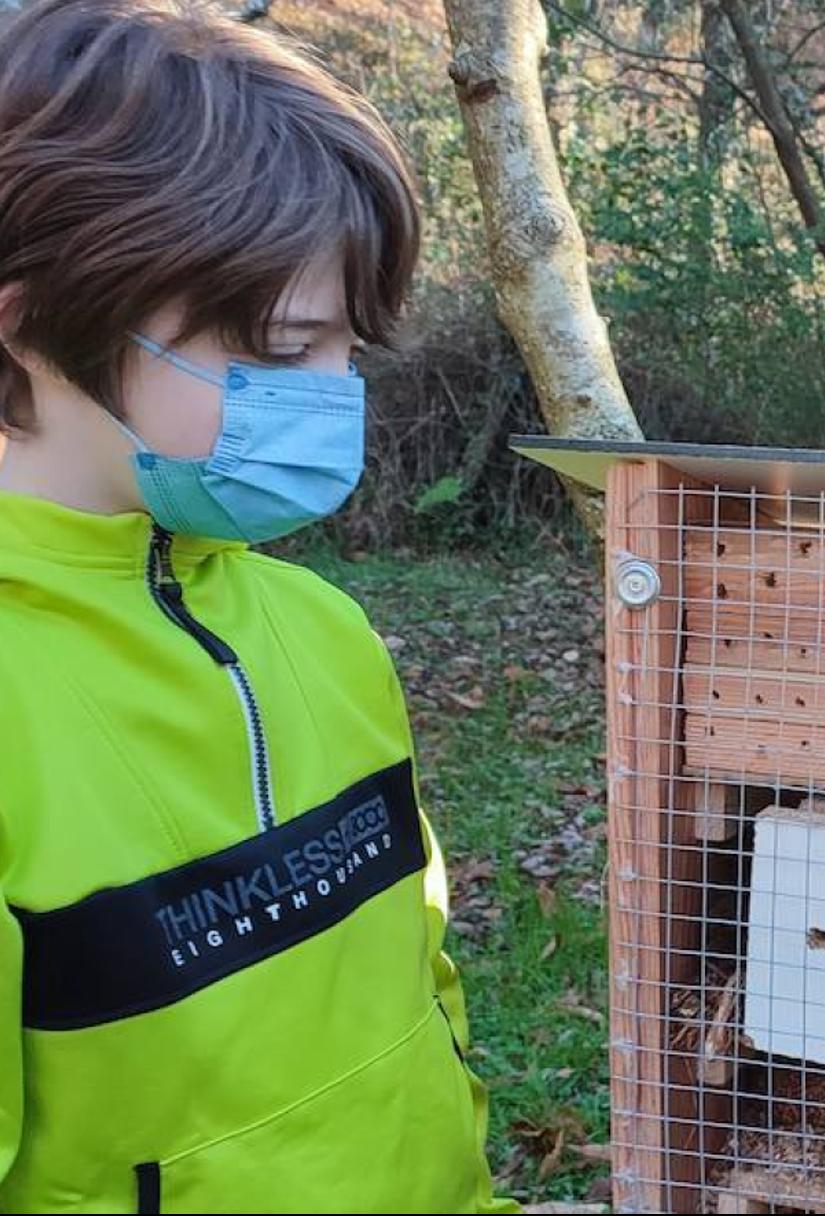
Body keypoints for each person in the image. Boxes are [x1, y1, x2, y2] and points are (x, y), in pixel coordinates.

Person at [0, 1, 509, 1209]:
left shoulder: (325, 632)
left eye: (347, 347)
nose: (334, 398)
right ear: (26, 329)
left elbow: (416, 980)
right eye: (279, 349)